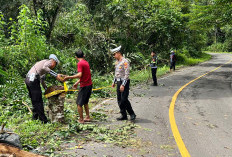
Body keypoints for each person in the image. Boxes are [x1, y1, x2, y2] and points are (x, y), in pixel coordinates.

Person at [25, 54, 64, 123]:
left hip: (28, 80)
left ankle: (35, 117)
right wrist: (56, 75)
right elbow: (45, 67)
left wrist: (46, 89)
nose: (53, 67)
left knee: (34, 99)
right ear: (54, 62)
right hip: (33, 79)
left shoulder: (42, 64)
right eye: (55, 64)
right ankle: (43, 120)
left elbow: (42, 80)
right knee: (38, 100)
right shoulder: (48, 62)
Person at [63, 49, 92, 124]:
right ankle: (87, 117)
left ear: (76, 57)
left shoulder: (80, 63)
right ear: (83, 56)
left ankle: (81, 119)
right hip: (89, 85)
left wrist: (68, 77)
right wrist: (77, 82)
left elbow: (80, 75)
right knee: (85, 102)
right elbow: (86, 75)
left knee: (79, 104)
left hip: (84, 86)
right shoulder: (86, 62)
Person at [110, 45, 136, 121]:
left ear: (118, 53)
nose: (114, 56)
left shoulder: (125, 61)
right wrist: (114, 82)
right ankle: (123, 115)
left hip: (124, 82)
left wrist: (123, 85)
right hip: (118, 82)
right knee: (119, 99)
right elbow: (116, 73)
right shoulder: (116, 62)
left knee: (124, 99)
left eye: (114, 54)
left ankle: (132, 113)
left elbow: (127, 74)